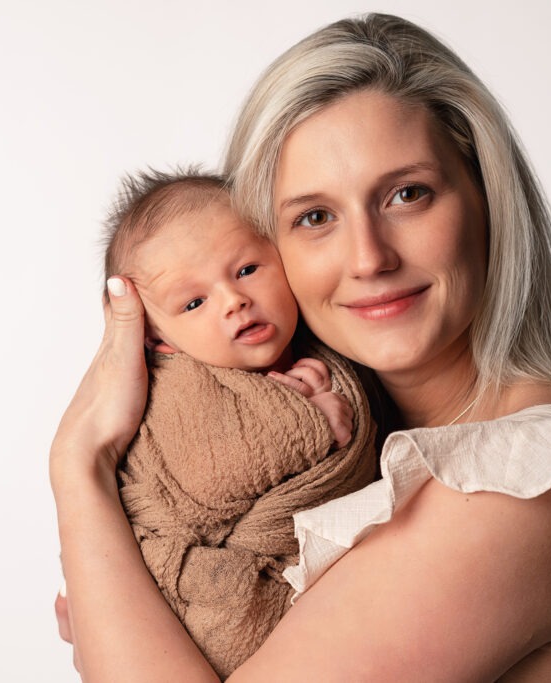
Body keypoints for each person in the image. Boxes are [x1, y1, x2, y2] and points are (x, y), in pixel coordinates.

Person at [50, 13, 551, 682]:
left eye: (408, 194)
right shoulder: (364, 448)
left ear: (486, 199)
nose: (368, 257)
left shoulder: (515, 488)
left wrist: (79, 466)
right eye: (315, 217)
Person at [98, 169, 376, 676]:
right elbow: (213, 474)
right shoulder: (178, 388)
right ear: (159, 340)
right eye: (195, 302)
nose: (233, 301)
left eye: (247, 269)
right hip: (203, 602)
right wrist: (313, 422)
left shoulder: (327, 357)